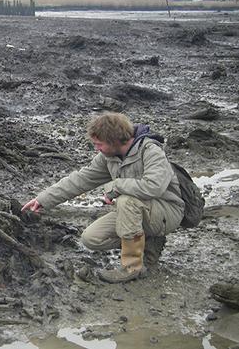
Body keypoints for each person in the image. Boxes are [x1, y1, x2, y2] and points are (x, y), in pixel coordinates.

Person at [22, 112, 184, 283]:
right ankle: (148, 243)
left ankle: (131, 267)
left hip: (168, 211)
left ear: (114, 140)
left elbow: (154, 186)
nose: (96, 148)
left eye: (99, 144)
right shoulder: (109, 156)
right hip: (137, 212)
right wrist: (43, 199)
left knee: (126, 200)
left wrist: (116, 186)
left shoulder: (151, 150)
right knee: (91, 238)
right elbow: (82, 179)